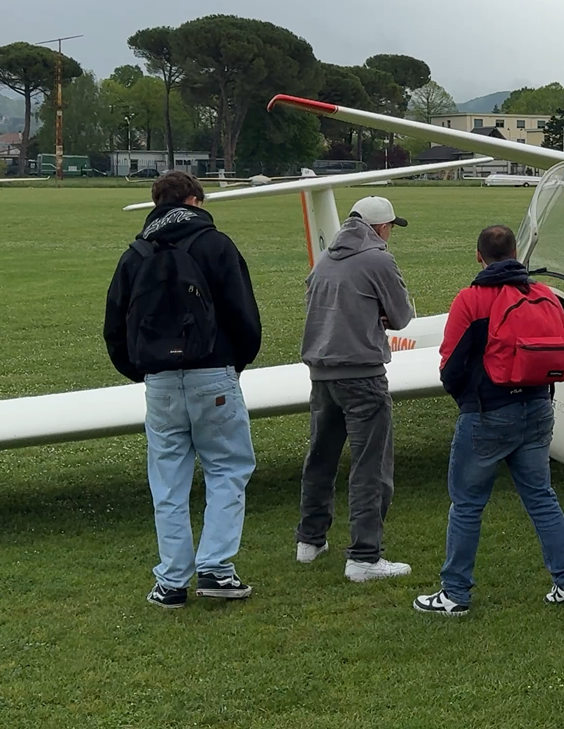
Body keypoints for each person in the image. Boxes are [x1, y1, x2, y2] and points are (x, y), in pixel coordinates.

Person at [103, 171, 263, 608]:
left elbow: (114, 326)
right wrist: (235, 364)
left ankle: (172, 581)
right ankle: (216, 568)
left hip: (159, 381)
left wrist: (143, 372)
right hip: (214, 373)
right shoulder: (216, 245)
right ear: (195, 200)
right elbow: (244, 315)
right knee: (227, 469)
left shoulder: (135, 254)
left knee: (168, 482)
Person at [417, 225, 564, 616]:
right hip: (538, 409)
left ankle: (455, 594)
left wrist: (468, 399)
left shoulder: (471, 300)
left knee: (467, 504)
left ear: (479, 256)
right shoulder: (546, 296)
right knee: (542, 499)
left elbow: (451, 367)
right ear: (517, 253)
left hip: (488, 413)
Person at [296, 195, 416, 582]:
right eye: (390, 229)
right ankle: (365, 557)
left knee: (321, 457)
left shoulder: (326, 260)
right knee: (370, 465)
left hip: (321, 375)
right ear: (381, 228)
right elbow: (401, 316)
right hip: (362, 375)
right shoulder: (378, 258)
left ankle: (310, 540)